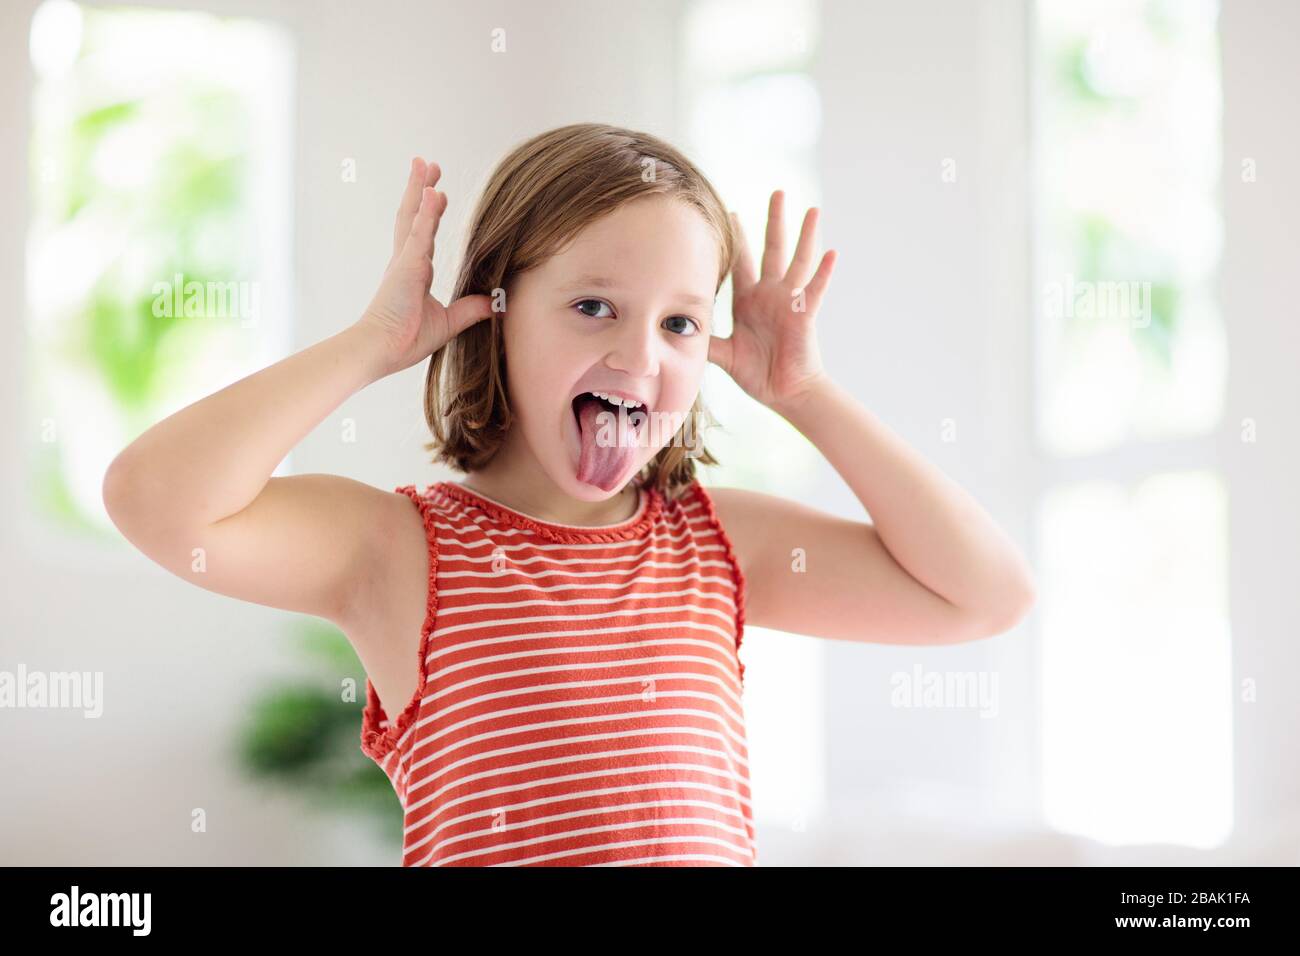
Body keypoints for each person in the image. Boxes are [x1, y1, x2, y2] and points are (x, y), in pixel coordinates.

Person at [103, 122, 1036, 866]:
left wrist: (807, 396)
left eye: (681, 322)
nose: (639, 356)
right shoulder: (396, 550)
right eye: (594, 306)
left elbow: (987, 595)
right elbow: (156, 500)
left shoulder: (720, 545)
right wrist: (374, 343)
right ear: (495, 313)